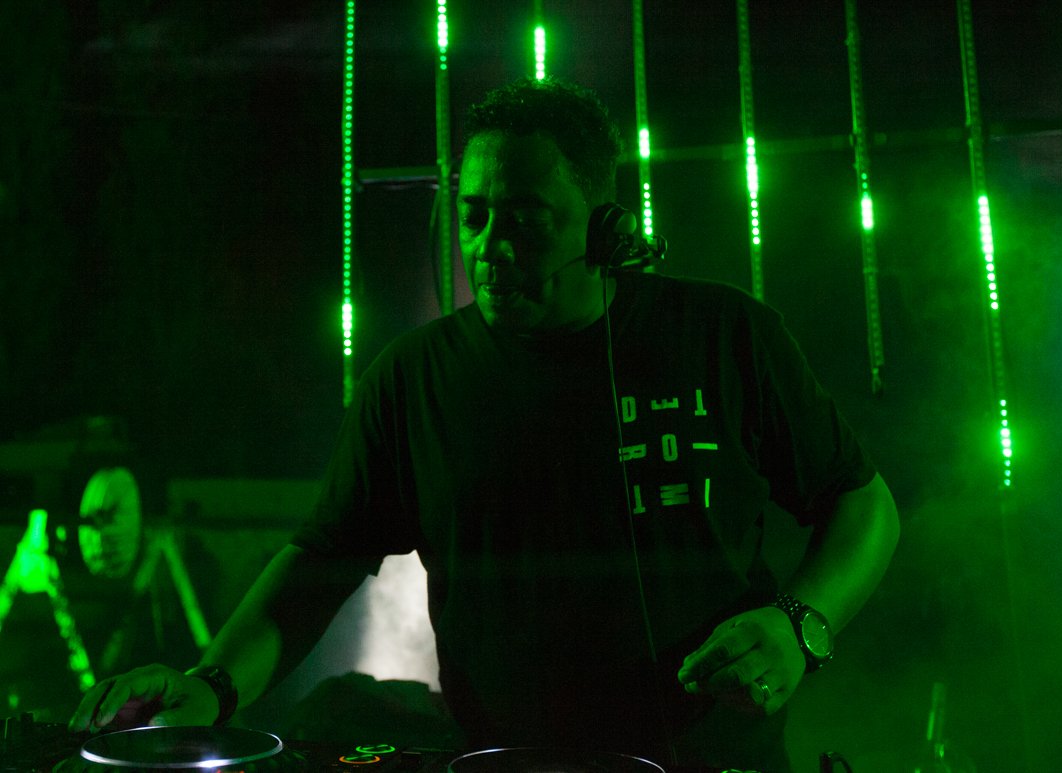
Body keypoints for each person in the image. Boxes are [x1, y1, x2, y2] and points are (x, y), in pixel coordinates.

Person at [70, 77, 899, 771]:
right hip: (498, 759)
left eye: (526, 219)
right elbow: (321, 557)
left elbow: (863, 505)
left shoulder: (724, 336)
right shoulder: (412, 378)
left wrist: (799, 625)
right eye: (473, 215)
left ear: (603, 225)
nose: (491, 247)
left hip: (714, 758)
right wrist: (212, 683)